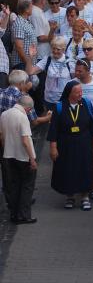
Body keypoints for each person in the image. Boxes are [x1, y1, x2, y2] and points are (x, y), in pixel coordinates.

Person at [47, 81, 93, 210]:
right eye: (77, 92)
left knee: (85, 168)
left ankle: (85, 196)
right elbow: (54, 129)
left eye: (81, 91)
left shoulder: (87, 104)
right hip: (66, 144)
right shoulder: (60, 106)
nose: (80, 94)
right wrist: (53, 147)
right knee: (68, 169)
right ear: (69, 93)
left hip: (84, 143)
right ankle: (69, 196)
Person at [0, 94, 37, 224]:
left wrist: (6, 148)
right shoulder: (22, 117)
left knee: (15, 186)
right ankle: (24, 215)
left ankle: (14, 214)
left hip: (9, 155)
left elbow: (1, 136)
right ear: (28, 108)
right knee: (27, 186)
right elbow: (25, 141)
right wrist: (32, 159)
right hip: (23, 157)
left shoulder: (4, 114)